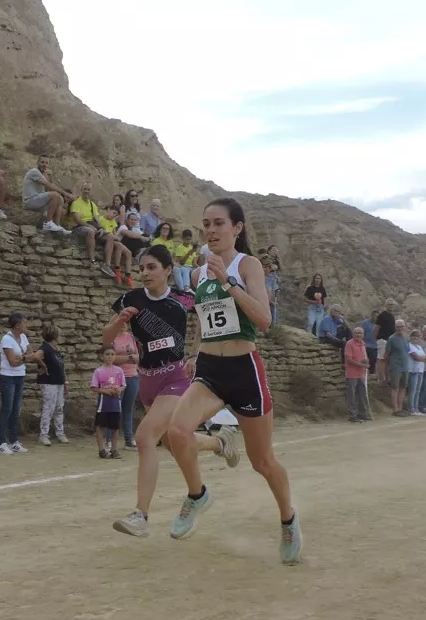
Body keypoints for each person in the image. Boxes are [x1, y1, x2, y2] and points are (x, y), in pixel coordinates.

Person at [163, 198, 302, 565]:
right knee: (176, 433)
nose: (211, 230)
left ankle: (288, 518)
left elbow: (264, 320)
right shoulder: (197, 274)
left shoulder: (248, 265)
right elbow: (204, 319)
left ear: (237, 228)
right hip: (210, 369)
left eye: (219, 223)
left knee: (262, 462)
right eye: (206, 223)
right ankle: (198, 495)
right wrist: (194, 353)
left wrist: (229, 282)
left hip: (245, 370)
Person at [105, 246, 241, 537]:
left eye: (152, 267)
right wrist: (119, 321)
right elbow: (105, 339)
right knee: (174, 443)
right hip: (147, 381)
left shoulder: (185, 298)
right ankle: (219, 444)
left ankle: (140, 515)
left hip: (177, 377)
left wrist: (195, 354)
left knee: (145, 437)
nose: (145, 273)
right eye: (142, 268)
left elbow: (210, 322)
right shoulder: (131, 299)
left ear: (168, 270)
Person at [0, 312, 43, 454]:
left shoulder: (23, 337)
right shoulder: (6, 339)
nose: (26, 325)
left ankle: (14, 441)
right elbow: (12, 362)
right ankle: (2, 443)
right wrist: (26, 358)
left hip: (20, 376)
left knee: (16, 410)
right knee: (7, 409)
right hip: (7, 377)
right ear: (17, 325)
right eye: (24, 323)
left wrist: (23, 358)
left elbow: (32, 354)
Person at [35, 323, 69, 445]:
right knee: (49, 408)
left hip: (58, 382)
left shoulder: (56, 351)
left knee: (59, 408)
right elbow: (36, 356)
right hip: (49, 383)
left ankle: (60, 433)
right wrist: (43, 365)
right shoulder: (45, 348)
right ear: (54, 336)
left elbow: (61, 368)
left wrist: (65, 381)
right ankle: (44, 434)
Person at [110, 321, 141, 450]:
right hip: (117, 377)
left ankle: (128, 439)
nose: (123, 324)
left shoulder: (131, 337)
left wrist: (129, 358)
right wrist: (130, 357)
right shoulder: (112, 338)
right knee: (115, 410)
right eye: (121, 322)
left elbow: (139, 357)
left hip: (133, 376)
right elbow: (112, 358)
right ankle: (110, 440)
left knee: (128, 409)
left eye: (126, 323)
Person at [91, 346, 126, 459]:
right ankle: (101, 449)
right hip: (103, 404)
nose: (110, 356)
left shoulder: (119, 371)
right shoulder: (99, 371)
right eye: (107, 354)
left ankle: (114, 450)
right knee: (100, 426)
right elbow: (94, 387)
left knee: (115, 428)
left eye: (112, 354)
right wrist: (106, 391)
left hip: (115, 404)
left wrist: (119, 390)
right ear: (102, 356)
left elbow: (123, 385)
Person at [23, 155, 73, 234]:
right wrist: (65, 193)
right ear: (37, 162)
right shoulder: (34, 171)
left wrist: (50, 177)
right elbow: (48, 185)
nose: (44, 164)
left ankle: (57, 225)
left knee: (60, 199)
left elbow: (50, 187)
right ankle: (48, 223)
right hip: (30, 201)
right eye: (42, 162)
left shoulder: (42, 175)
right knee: (55, 195)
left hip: (38, 201)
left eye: (46, 163)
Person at [66, 182, 106, 267]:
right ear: (81, 190)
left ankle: (108, 264)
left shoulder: (92, 204)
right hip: (78, 227)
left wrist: (101, 227)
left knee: (111, 237)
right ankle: (92, 260)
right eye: (85, 189)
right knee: (90, 231)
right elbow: (77, 220)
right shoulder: (76, 202)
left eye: (88, 189)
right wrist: (90, 226)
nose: (86, 191)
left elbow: (97, 219)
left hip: (91, 226)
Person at [98, 203, 133, 286]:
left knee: (128, 252)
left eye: (116, 215)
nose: (114, 216)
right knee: (118, 244)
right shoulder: (101, 219)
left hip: (113, 239)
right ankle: (116, 268)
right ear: (108, 210)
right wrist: (113, 236)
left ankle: (128, 275)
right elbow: (103, 231)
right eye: (113, 213)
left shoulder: (113, 221)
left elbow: (114, 233)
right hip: (105, 238)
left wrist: (115, 237)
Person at [383, 319, 411, 415]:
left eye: (401, 326)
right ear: (395, 327)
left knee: (403, 388)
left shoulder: (405, 338)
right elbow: (386, 355)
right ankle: (395, 409)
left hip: (405, 367)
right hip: (395, 367)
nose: (399, 328)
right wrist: (387, 371)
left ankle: (400, 408)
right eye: (398, 327)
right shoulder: (391, 339)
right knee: (395, 388)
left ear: (404, 327)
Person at [344, 330, 372, 422]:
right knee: (352, 394)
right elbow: (349, 359)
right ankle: (352, 415)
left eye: (360, 333)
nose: (358, 335)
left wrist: (366, 361)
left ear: (363, 335)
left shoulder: (363, 344)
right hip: (352, 373)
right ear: (353, 334)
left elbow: (365, 357)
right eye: (356, 333)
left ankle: (362, 413)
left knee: (362, 393)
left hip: (361, 373)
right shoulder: (349, 344)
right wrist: (362, 365)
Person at [407, 330, 426, 416]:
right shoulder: (409, 345)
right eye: (414, 336)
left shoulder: (419, 347)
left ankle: (416, 408)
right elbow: (416, 357)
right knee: (413, 390)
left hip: (420, 370)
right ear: (411, 337)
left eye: (417, 336)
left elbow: (425, 358)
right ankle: (411, 409)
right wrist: (423, 358)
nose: (415, 337)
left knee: (418, 390)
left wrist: (422, 358)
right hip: (413, 370)